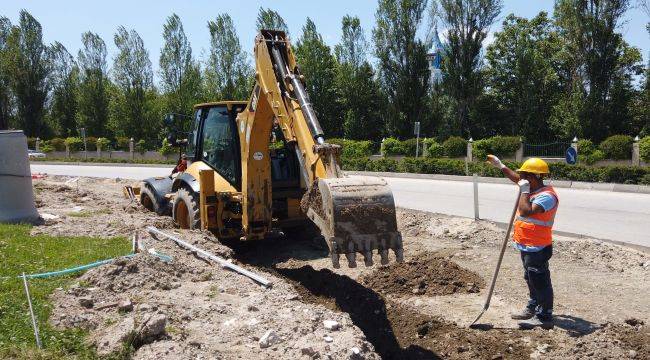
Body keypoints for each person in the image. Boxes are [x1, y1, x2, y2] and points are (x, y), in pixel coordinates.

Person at [487, 155, 559, 330]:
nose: (522, 179)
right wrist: (501, 165)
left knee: (540, 279)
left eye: (525, 175)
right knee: (530, 277)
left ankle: (544, 316)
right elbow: (516, 178)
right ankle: (533, 306)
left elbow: (526, 211)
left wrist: (524, 191)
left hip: (538, 246)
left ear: (534, 177)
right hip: (526, 244)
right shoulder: (532, 187)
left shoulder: (547, 196)